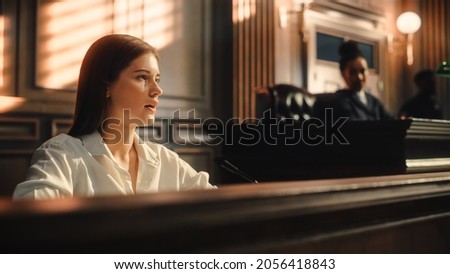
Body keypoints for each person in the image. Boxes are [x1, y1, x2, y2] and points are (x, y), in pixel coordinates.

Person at [13, 34, 215, 200]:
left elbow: (218, 206)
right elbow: (27, 226)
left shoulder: (164, 159)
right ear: (106, 86)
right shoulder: (61, 155)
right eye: (143, 77)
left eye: (157, 79)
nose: (157, 90)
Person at [314, 41, 392, 121]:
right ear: (343, 74)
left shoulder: (374, 102)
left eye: (362, 71)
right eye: (353, 72)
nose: (359, 77)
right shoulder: (337, 102)